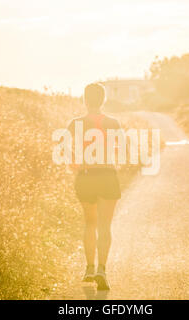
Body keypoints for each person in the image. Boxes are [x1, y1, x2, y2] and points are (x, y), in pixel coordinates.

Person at [67, 83, 122, 290]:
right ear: (103, 100)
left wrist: (77, 166)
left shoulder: (75, 123)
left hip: (86, 177)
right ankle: (102, 269)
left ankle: (89, 268)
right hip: (107, 176)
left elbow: (64, 150)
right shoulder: (113, 123)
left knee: (90, 223)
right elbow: (121, 151)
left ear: (84, 100)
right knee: (105, 225)